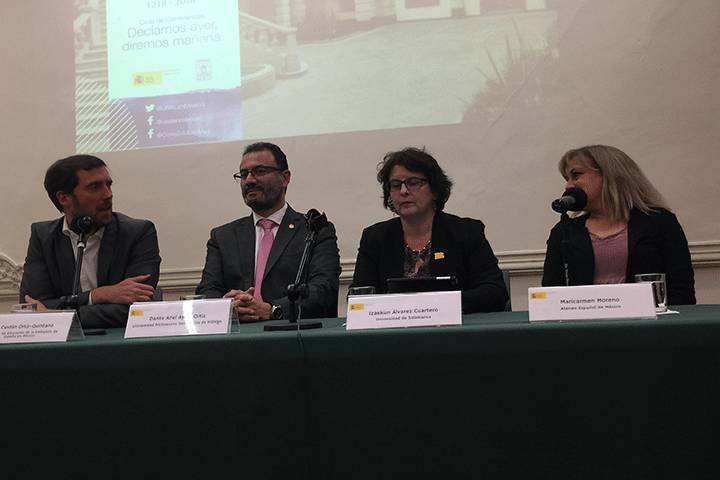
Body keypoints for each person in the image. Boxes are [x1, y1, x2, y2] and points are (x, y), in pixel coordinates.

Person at [351, 147, 508, 313]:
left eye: (413, 183)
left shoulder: (466, 232)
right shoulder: (375, 238)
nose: (403, 191)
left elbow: (494, 292)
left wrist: (438, 306)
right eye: (396, 185)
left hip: (455, 326)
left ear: (435, 190)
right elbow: (359, 297)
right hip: (393, 327)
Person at [196, 142, 341, 321]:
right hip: (238, 333)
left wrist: (272, 310)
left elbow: (323, 290)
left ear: (285, 178)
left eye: (260, 171)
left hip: (291, 332)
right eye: (244, 174)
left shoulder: (314, 230)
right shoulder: (223, 237)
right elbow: (207, 291)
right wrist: (226, 306)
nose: (249, 180)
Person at [542, 144, 695, 304]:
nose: (568, 186)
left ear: (609, 174)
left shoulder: (660, 222)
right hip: (584, 319)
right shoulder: (564, 231)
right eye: (567, 179)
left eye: (576, 175)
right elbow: (550, 293)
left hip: (650, 319)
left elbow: (682, 290)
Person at [19, 154, 161, 328]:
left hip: (120, 340)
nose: (108, 194)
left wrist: (57, 317)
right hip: (62, 343)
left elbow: (137, 309)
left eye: (108, 185)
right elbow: (31, 306)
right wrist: (98, 295)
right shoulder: (43, 237)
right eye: (94, 187)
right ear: (64, 198)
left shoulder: (137, 233)